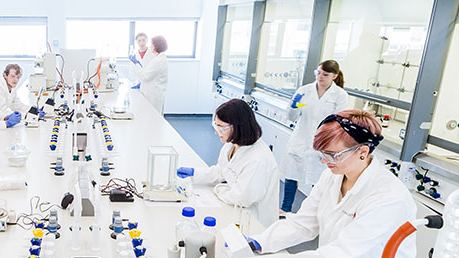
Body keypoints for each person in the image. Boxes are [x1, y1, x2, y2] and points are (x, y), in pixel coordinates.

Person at [248, 110, 416, 258]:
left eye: (332, 154)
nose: (323, 161)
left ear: (363, 152)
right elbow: (303, 224)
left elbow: (345, 249)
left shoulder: (389, 197)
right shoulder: (332, 176)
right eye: (322, 153)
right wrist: (258, 242)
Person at [175, 98, 280, 227]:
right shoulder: (233, 144)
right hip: (234, 212)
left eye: (221, 127)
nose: (216, 132)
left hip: (254, 222)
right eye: (216, 126)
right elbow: (222, 171)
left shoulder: (258, 159)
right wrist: (195, 173)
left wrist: (219, 188)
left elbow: (240, 198)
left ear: (237, 127)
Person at [281, 60, 349, 212]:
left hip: (323, 144)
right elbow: (292, 117)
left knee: (319, 182)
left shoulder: (339, 95)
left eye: (325, 74)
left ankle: (312, 213)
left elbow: (338, 122)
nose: (320, 77)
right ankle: (285, 210)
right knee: (291, 176)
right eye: (318, 73)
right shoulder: (304, 91)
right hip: (300, 140)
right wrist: (293, 106)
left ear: (335, 76)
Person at [133, 35, 169, 114]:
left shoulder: (158, 61)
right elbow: (147, 72)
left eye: (152, 44)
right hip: (151, 90)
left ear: (156, 46)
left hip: (153, 94)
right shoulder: (158, 58)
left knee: (153, 117)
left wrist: (136, 63)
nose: (150, 46)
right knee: (150, 116)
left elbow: (145, 76)